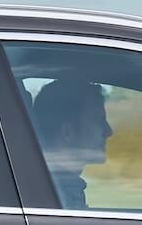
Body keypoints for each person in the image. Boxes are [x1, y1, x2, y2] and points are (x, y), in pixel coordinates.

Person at [30, 78, 110, 209]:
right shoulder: (55, 197)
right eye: (99, 120)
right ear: (67, 132)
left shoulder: (54, 189)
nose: (109, 131)